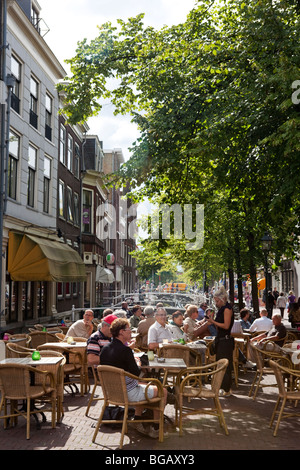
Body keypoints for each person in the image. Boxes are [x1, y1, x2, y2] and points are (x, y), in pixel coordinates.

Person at [100, 317, 167, 438]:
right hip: (128, 393)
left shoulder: (104, 349)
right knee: (162, 390)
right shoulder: (125, 351)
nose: (131, 332)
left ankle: (137, 419)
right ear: (121, 332)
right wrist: (139, 363)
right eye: (128, 329)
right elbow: (136, 373)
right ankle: (155, 428)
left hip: (112, 392)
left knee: (142, 385)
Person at [207, 286, 234, 396]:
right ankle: (221, 387)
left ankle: (227, 389)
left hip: (225, 340)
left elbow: (226, 326)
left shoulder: (227, 309)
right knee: (220, 363)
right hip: (221, 339)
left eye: (217, 301)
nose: (216, 303)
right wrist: (212, 321)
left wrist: (213, 321)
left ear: (222, 299)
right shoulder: (222, 309)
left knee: (224, 365)